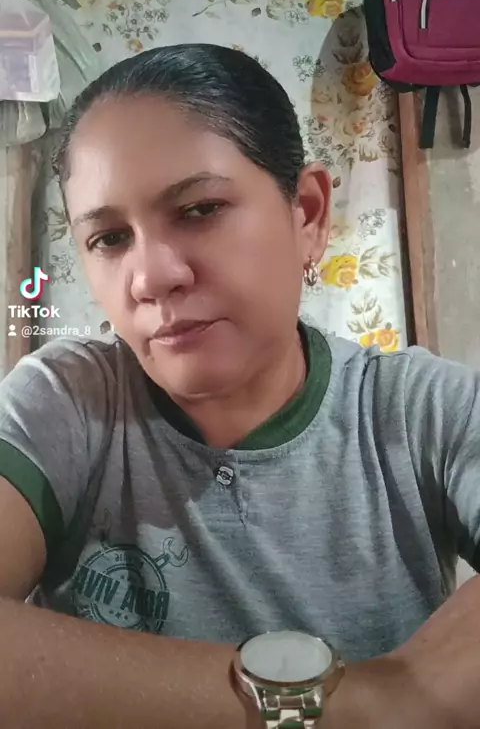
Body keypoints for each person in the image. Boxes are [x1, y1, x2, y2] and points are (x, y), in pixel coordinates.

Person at [0, 43, 479, 729]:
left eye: (199, 209)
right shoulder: (66, 404)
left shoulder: (419, 412)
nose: (150, 277)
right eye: (109, 238)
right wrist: (373, 702)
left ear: (307, 214)